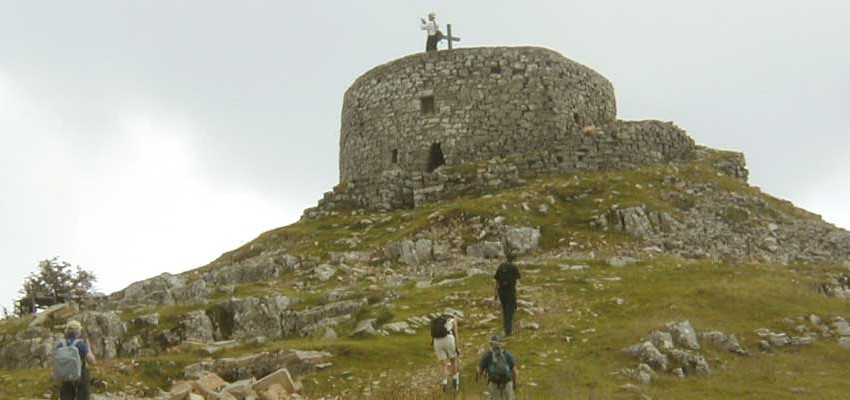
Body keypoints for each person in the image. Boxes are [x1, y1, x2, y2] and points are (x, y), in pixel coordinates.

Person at [58, 320, 96, 400]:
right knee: (83, 395)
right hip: (80, 375)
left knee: (66, 396)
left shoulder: (60, 344)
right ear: (78, 332)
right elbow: (92, 361)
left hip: (65, 375)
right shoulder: (80, 344)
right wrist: (88, 348)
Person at [477, 335, 519, 400]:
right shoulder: (507, 354)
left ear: (491, 344)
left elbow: (480, 371)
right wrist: (515, 386)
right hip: (507, 384)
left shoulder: (487, 355)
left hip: (494, 385)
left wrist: (480, 383)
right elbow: (515, 372)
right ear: (502, 344)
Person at [431, 312, 460, 392]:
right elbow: (456, 333)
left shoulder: (438, 321)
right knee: (453, 361)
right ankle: (455, 382)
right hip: (449, 339)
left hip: (437, 341)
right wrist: (457, 347)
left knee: (443, 364)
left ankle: (444, 382)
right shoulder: (452, 320)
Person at [494, 253, 521, 336]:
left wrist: (496, 295)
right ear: (513, 259)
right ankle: (508, 330)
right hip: (510, 292)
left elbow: (496, 281)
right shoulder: (513, 267)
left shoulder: (501, 267)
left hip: (501, 292)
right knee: (511, 310)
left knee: (505, 310)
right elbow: (518, 279)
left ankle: (506, 329)